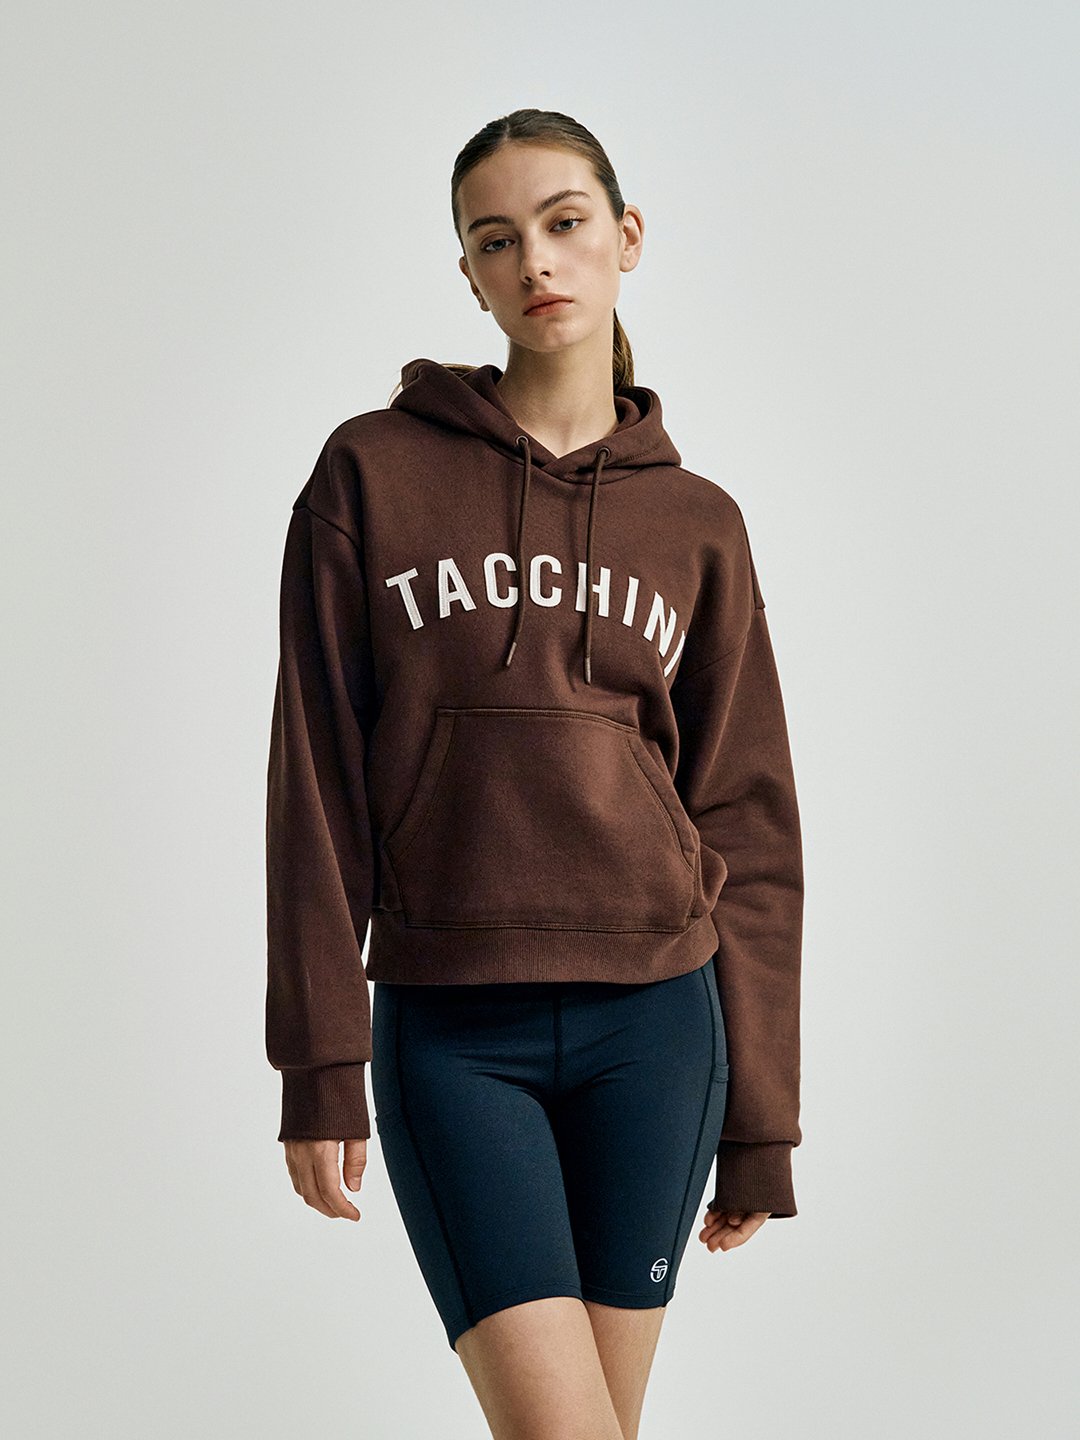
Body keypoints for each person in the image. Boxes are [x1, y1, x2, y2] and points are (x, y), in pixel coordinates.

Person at [265, 107, 804, 1440]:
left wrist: (764, 1115)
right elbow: (315, 778)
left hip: (660, 1029)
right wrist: (321, 1057)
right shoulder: (371, 473)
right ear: (469, 274)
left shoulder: (699, 522)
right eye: (496, 239)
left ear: (627, 237)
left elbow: (745, 817)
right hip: (454, 1031)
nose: (537, 262)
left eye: (565, 223)